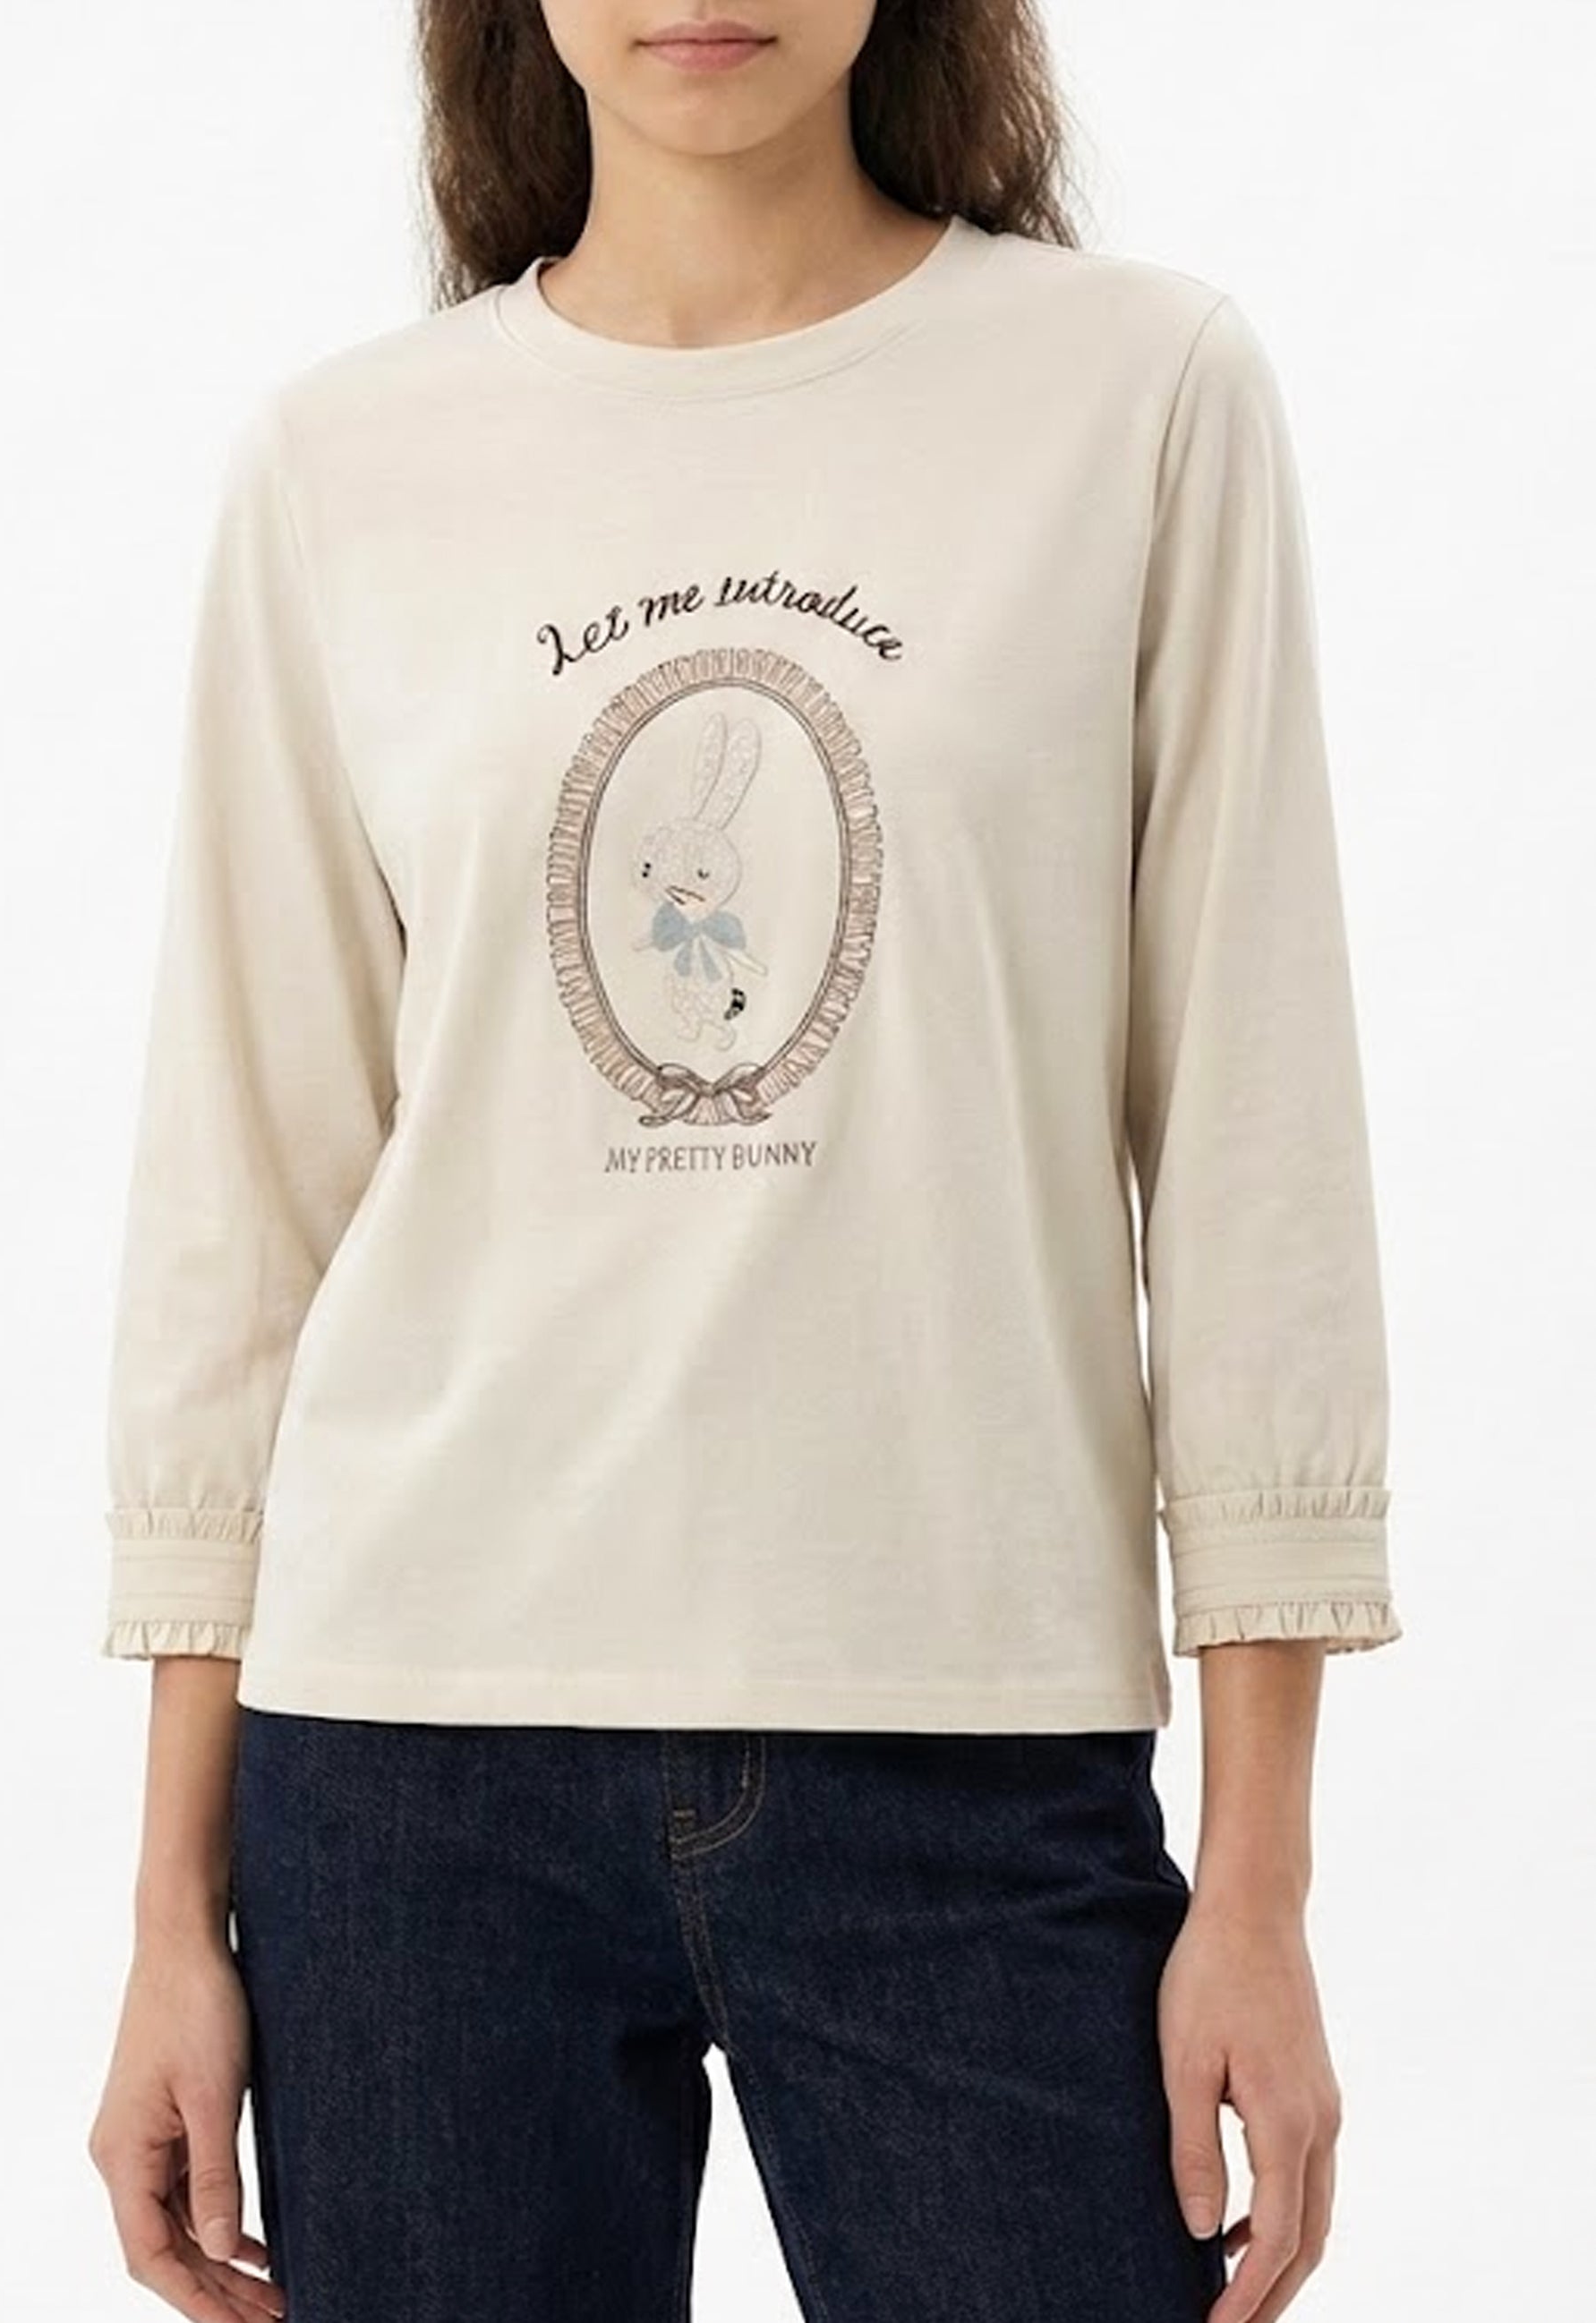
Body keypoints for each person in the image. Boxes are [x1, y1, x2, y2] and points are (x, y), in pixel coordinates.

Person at [85, 5, 1403, 2319]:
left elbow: (1250, 1144)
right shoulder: (344, 468)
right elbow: (246, 1197)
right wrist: (167, 1914)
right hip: (407, 1776)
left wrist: (1262, 1886)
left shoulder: (1136, 398)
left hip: (967, 1746)